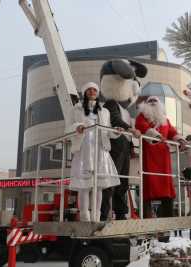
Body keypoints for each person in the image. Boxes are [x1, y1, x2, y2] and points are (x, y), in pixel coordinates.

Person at [99, 59, 146, 220]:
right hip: (114, 147)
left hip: (124, 149)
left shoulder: (126, 110)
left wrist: (132, 147)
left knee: (123, 182)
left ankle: (120, 212)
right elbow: (115, 120)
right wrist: (130, 129)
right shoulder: (111, 103)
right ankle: (103, 212)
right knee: (112, 180)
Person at [70, 82, 121, 222]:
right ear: (85, 92)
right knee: (84, 186)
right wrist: (78, 127)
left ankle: (96, 215)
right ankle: (85, 215)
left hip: (100, 149)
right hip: (85, 148)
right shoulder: (77, 109)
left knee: (99, 186)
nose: (92, 92)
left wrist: (116, 132)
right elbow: (69, 126)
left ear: (97, 93)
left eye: (94, 90)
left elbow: (108, 131)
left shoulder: (105, 111)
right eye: (89, 90)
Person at [135, 96, 187, 218]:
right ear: (145, 104)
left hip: (164, 158)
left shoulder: (165, 120)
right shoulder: (142, 117)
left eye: (155, 101)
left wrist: (180, 140)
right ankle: (146, 219)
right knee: (148, 187)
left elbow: (173, 132)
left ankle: (167, 219)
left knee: (167, 189)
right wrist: (156, 135)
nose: (153, 103)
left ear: (160, 104)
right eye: (150, 101)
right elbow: (141, 126)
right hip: (149, 155)